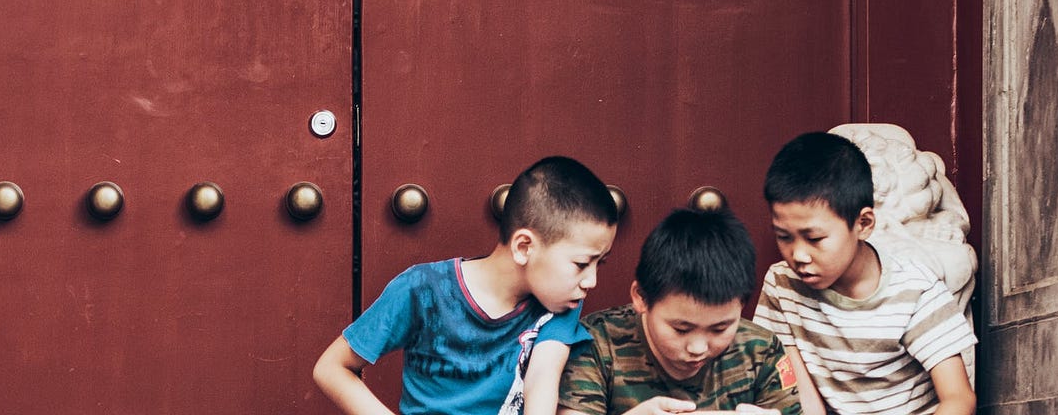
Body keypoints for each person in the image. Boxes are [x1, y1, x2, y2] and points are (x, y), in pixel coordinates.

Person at [315, 156, 620, 415]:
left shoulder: (561, 301)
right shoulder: (422, 289)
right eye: (581, 264)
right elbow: (331, 368)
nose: (590, 281)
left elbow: (543, 377)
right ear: (524, 247)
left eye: (600, 264)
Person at [752, 132, 977, 415]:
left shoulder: (914, 287)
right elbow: (802, 396)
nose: (798, 255)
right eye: (784, 237)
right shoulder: (782, 285)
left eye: (815, 238)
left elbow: (959, 399)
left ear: (863, 223)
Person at [558, 209, 802, 415]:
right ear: (641, 297)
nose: (697, 348)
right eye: (681, 329)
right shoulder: (593, 345)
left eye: (720, 328)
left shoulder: (761, 350)